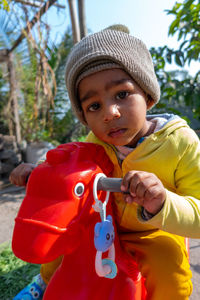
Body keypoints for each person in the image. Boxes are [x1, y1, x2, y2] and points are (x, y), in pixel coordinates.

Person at [11, 24, 200, 300]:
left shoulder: (180, 143)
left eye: (122, 94)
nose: (110, 113)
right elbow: (65, 169)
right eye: (94, 106)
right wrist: (38, 173)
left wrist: (162, 203)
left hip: (153, 232)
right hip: (103, 224)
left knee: (169, 272)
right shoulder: (93, 143)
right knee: (64, 242)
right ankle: (45, 282)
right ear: (84, 116)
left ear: (147, 96)